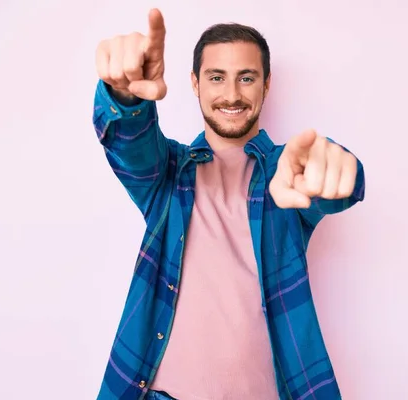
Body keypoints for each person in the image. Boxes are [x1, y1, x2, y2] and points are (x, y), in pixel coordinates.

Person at [92, 8, 365, 400]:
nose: (232, 94)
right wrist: (122, 94)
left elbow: (333, 182)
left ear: (266, 85)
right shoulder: (168, 174)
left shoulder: (286, 175)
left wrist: (339, 171)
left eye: (247, 78)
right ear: (195, 83)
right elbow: (128, 142)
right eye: (216, 77)